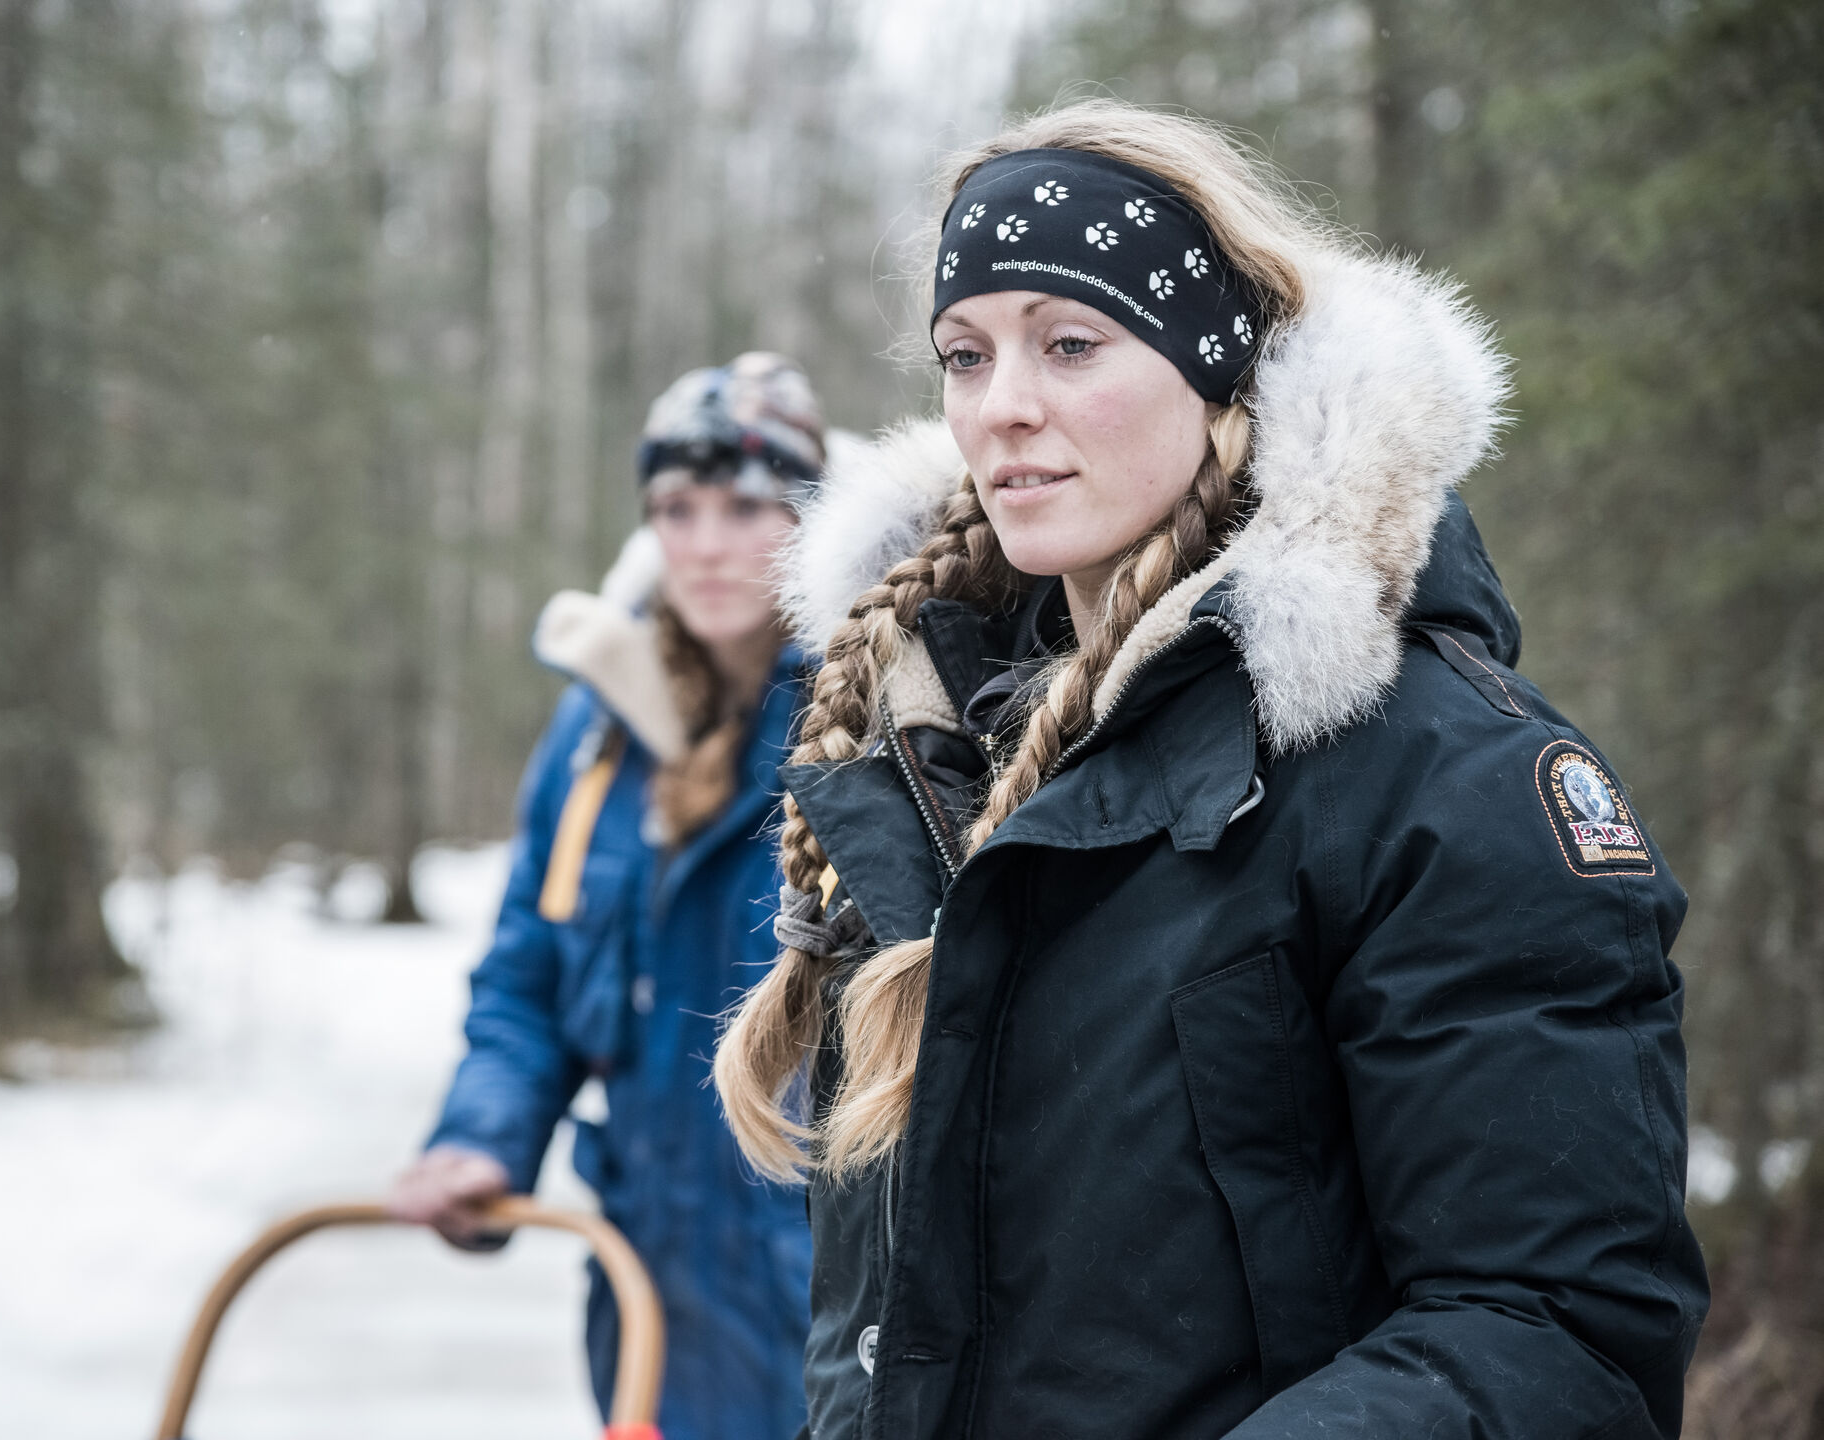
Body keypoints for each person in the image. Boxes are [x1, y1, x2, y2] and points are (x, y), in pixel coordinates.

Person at [714, 100, 1708, 1439]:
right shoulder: (927, 763)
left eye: (1070, 343)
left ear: (1216, 370)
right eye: (964, 354)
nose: (1002, 408)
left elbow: (1557, 1330)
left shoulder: (1448, 782)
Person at [392, 354, 825, 1440]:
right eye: (677, 509)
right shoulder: (596, 740)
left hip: (829, 1318)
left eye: (745, 507)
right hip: (647, 1316)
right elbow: (527, 979)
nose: (707, 544)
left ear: (809, 519)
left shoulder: (874, 716)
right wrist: (484, 1134)